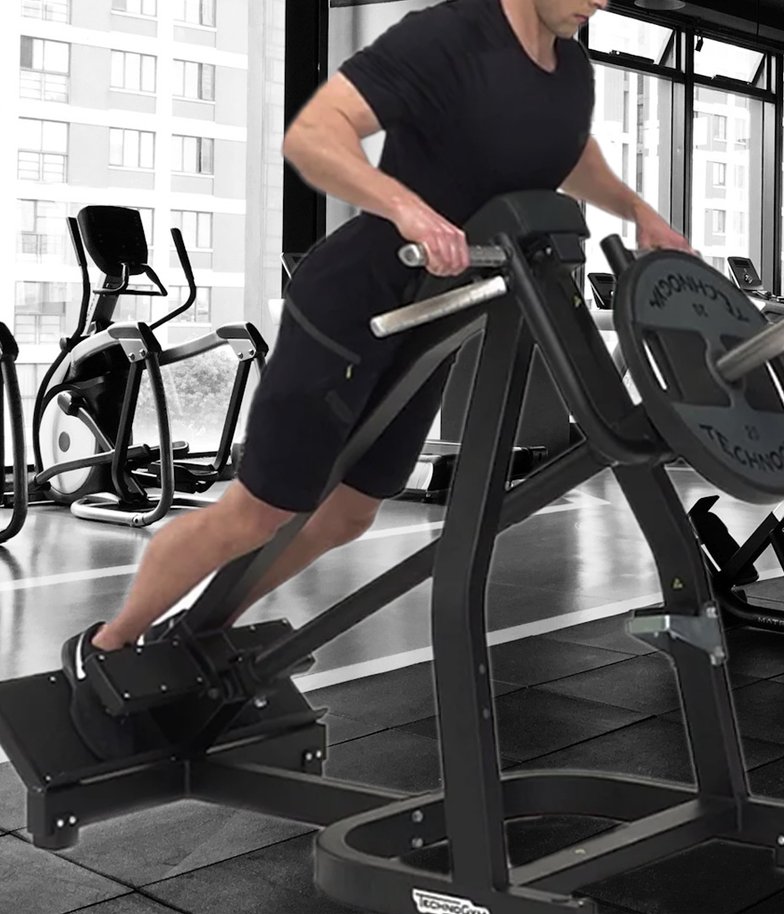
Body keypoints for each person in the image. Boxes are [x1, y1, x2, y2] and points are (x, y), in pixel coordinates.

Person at [62, 0, 686, 683]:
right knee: (260, 510)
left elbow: (568, 150)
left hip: (435, 317)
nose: (598, 2)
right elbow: (315, 134)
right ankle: (107, 648)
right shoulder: (448, 37)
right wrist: (407, 208)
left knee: (351, 512)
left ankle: (202, 625)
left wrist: (638, 209)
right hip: (353, 302)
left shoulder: (572, 67)